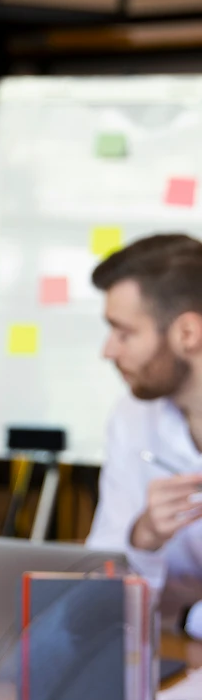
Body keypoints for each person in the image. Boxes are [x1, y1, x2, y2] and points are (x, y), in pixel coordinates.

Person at [87, 234, 202, 624]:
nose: (108, 351)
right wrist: (143, 537)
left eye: (125, 333)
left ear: (187, 333)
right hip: (166, 656)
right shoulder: (131, 416)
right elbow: (100, 579)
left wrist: (188, 615)